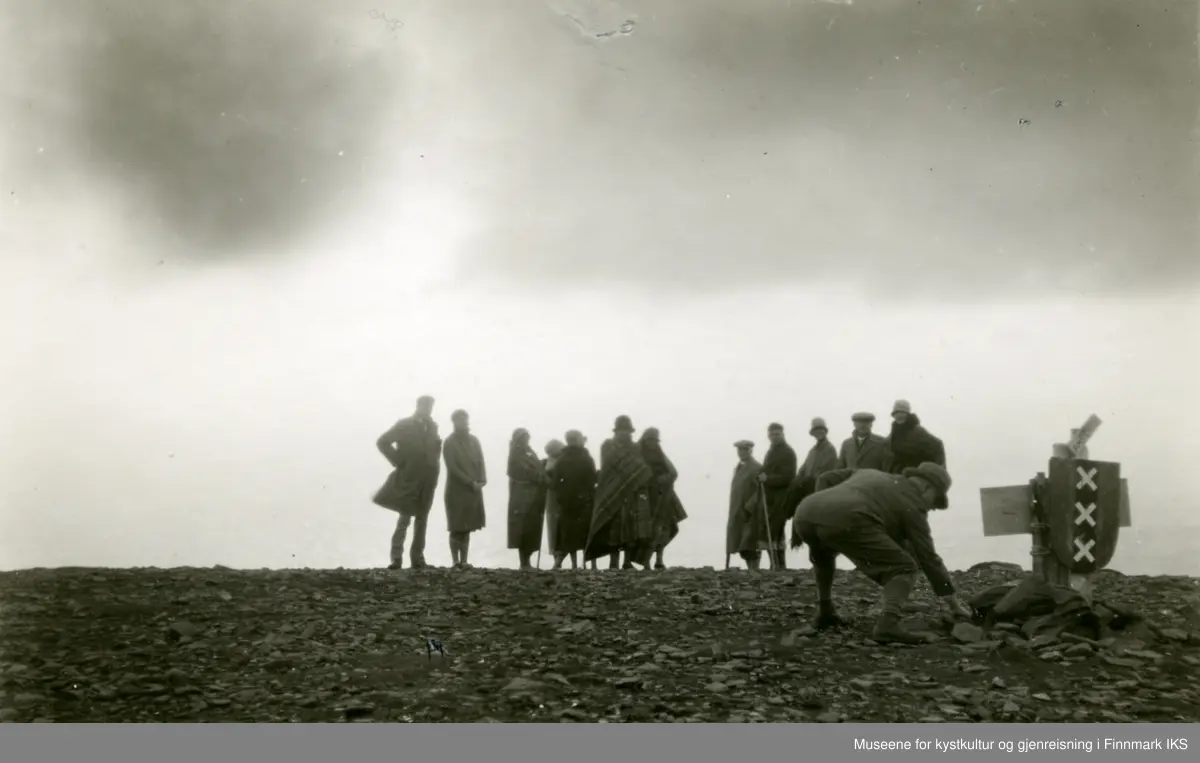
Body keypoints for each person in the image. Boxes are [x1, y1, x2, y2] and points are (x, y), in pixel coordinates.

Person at [790, 462, 971, 644]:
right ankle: (888, 625)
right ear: (925, 487)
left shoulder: (869, 472)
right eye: (935, 500)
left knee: (823, 557)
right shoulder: (913, 504)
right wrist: (955, 605)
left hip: (805, 512)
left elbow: (825, 478)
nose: (931, 508)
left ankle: (825, 612)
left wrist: (825, 508)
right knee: (905, 568)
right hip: (851, 517)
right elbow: (928, 558)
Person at [373, 395, 442, 570]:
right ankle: (396, 559)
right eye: (425, 406)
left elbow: (435, 449)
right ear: (418, 406)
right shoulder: (404, 424)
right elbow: (383, 442)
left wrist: (435, 468)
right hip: (409, 478)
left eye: (430, 407)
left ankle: (417, 559)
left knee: (422, 518)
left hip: (428, 479)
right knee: (405, 517)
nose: (428, 410)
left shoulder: (433, 427)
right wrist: (398, 461)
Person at [585, 415, 654, 570]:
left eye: (628, 431)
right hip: (611, 492)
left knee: (630, 528)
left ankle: (627, 561)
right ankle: (613, 562)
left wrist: (641, 473)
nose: (625, 434)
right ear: (616, 432)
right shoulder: (607, 446)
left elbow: (641, 467)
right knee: (612, 528)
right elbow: (610, 465)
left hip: (631, 494)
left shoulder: (636, 448)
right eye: (622, 431)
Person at [441, 409, 487, 569]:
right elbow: (452, 467)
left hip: (473, 490)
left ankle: (465, 560)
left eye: (465, 419)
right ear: (454, 422)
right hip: (456, 491)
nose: (464, 423)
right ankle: (455, 561)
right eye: (460, 420)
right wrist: (469, 482)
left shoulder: (474, 441)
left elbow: (481, 461)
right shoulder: (449, 442)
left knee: (467, 527)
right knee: (456, 526)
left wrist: (482, 480)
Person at [638, 427, 688, 570]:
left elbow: (673, 472)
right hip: (646, 498)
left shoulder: (660, 454)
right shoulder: (639, 454)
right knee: (648, 531)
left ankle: (659, 560)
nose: (652, 443)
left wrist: (664, 479)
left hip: (663, 496)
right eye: (650, 440)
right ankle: (646, 561)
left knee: (665, 528)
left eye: (654, 440)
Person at [552, 430, 598, 570]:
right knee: (586, 532)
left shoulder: (562, 458)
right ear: (577, 440)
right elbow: (592, 478)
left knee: (569, 533)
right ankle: (590, 564)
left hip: (567, 500)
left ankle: (573, 564)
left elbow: (555, 481)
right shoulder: (586, 457)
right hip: (585, 498)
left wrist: (561, 497)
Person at [781, 417, 839, 524]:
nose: (818, 432)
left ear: (825, 431)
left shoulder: (830, 449)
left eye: (821, 429)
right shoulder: (812, 451)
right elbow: (803, 469)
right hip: (807, 489)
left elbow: (825, 472)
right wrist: (797, 480)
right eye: (816, 430)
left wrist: (806, 481)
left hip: (820, 490)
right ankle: (788, 522)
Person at [756, 423, 797, 570]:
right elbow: (766, 470)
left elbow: (789, 477)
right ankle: (776, 564)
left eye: (777, 434)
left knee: (776, 530)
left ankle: (779, 564)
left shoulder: (787, 452)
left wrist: (768, 479)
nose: (774, 437)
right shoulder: (771, 451)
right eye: (772, 434)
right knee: (770, 530)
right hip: (770, 497)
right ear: (768, 436)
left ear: (783, 434)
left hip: (781, 497)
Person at [507, 428, 548, 570]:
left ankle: (527, 561)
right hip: (522, 496)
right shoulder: (516, 453)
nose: (526, 441)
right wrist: (537, 475)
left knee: (532, 527)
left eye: (527, 438)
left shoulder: (529, 452)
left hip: (533, 495)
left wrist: (544, 464)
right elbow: (517, 470)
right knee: (522, 527)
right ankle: (524, 562)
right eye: (523, 438)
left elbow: (536, 466)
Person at [886, 400, 947, 493]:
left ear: (908, 414)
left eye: (902, 412)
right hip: (898, 477)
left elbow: (937, 445)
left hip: (915, 478)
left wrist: (935, 473)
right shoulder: (894, 433)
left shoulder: (918, 431)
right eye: (896, 413)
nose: (899, 416)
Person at [727, 440, 765, 570]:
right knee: (741, 545)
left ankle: (754, 570)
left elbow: (760, 491)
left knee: (750, 545)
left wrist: (749, 507)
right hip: (737, 512)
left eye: (744, 450)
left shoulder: (756, 467)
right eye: (739, 450)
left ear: (750, 450)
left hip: (750, 513)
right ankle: (752, 571)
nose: (741, 453)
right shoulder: (739, 467)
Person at [543, 439, 567, 566]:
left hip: (556, 496)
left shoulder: (549, 462)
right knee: (554, 526)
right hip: (553, 496)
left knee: (557, 526)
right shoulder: (550, 462)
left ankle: (558, 559)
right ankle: (557, 558)